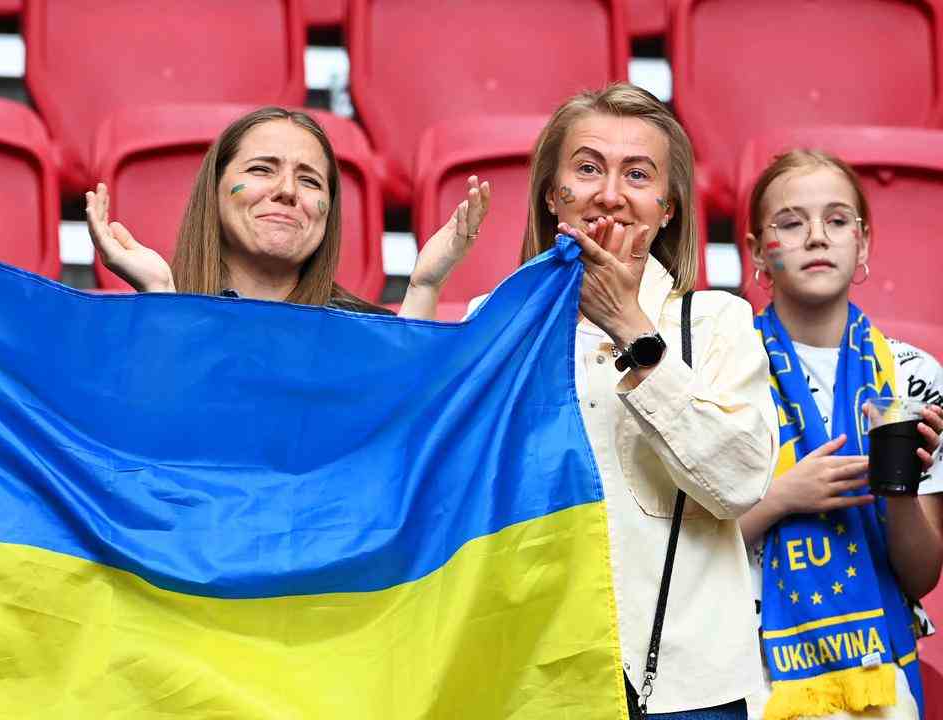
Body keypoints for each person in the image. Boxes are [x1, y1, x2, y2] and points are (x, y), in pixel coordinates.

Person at [475, 83, 779, 718]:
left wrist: (635, 334)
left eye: (637, 175)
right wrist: (422, 287)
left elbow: (741, 482)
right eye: (587, 168)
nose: (609, 194)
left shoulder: (718, 321)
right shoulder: (490, 326)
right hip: (531, 683)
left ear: (667, 208)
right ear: (551, 194)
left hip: (687, 692)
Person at [737, 150, 943, 720]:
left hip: (881, 678)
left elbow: (922, 574)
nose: (817, 237)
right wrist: (782, 499)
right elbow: (687, 551)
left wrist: (900, 488)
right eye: (791, 223)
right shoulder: (723, 368)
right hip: (751, 668)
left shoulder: (914, 378)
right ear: (757, 252)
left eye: (836, 220)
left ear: (864, 244)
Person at [84, 106, 490, 318]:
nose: (288, 192)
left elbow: (407, 433)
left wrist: (424, 288)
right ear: (214, 192)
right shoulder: (144, 317)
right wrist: (160, 297)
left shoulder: (362, 332)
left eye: (311, 180)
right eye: (262, 169)